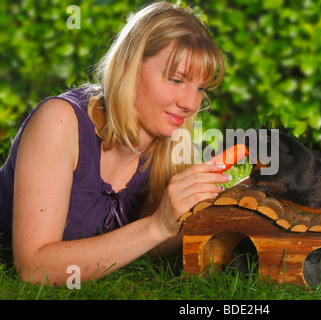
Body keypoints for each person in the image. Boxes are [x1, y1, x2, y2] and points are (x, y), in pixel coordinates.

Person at [0, 1, 228, 285]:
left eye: (200, 88)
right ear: (129, 67)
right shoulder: (59, 122)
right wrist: (156, 226)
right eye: (176, 79)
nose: (190, 103)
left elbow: (146, 248)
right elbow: (34, 268)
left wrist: (223, 208)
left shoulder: (169, 140)